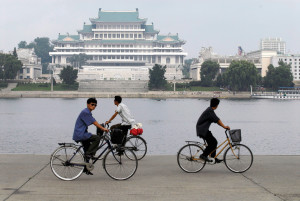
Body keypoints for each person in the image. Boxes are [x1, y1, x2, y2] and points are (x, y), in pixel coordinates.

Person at [73, 98, 108, 175]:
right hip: (81, 134)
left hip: (82, 133)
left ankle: (86, 169)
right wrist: (103, 128)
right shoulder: (85, 112)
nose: (94, 106)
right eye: (92, 104)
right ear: (87, 104)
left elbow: (93, 120)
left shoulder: (87, 112)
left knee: (87, 149)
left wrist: (101, 127)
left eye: (95, 105)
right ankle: (89, 154)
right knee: (97, 138)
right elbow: (94, 122)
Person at [196, 98, 230, 163]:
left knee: (213, 142)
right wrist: (225, 127)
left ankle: (213, 158)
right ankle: (203, 155)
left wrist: (223, 126)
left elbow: (216, 121)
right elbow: (217, 120)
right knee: (213, 142)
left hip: (203, 129)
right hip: (202, 130)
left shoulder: (210, 110)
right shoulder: (210, 111)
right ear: (217, 105)